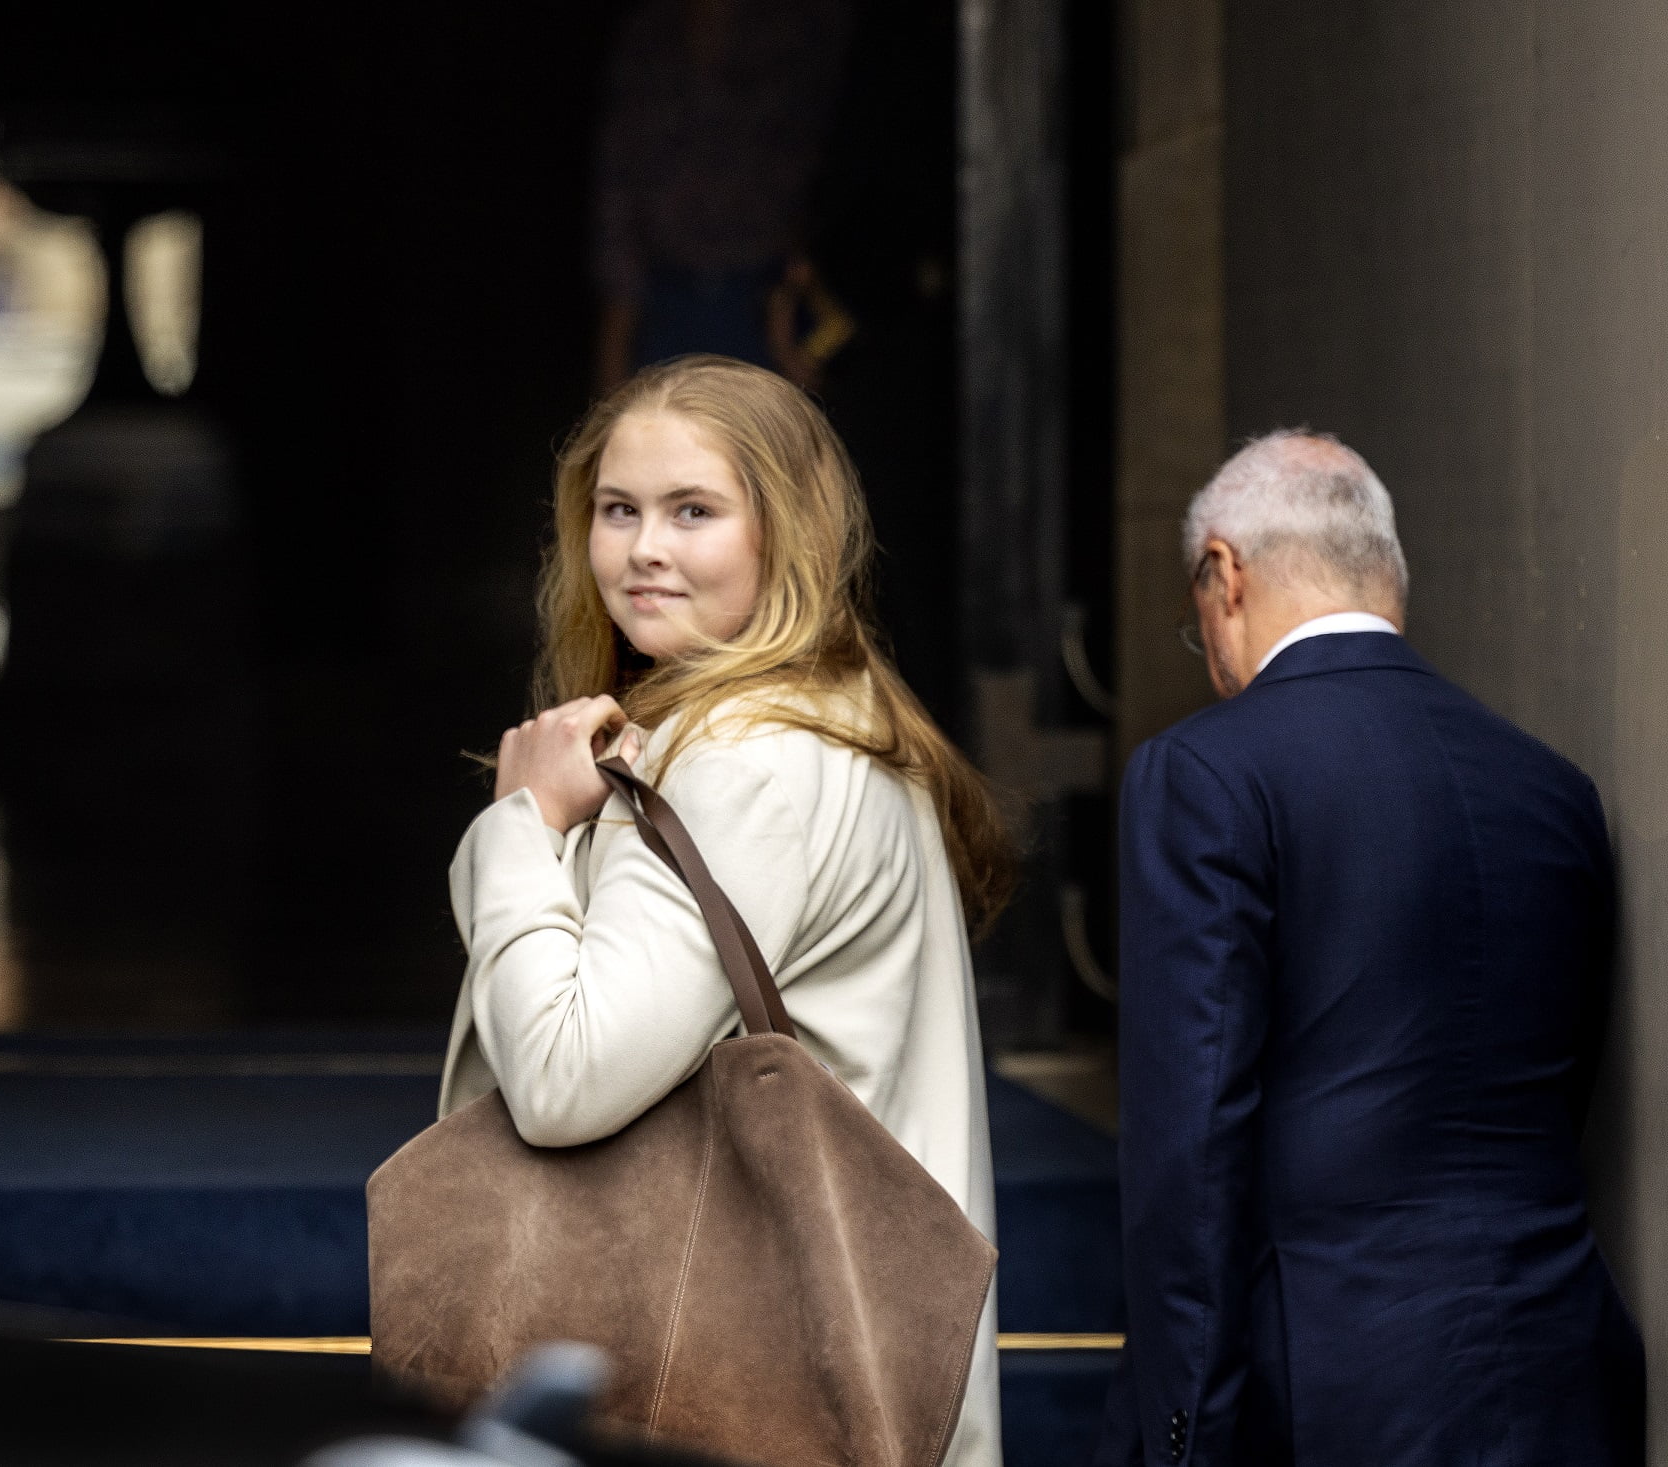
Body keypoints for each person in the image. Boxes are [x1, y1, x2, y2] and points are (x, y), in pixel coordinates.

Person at [437, 355, 1012, 1467]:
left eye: (692, 511)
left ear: (785, 534)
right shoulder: (829, 718)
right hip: (831, 1364)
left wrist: (521, 824)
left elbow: (561, 1079)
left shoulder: (741, 760)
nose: (643, 548)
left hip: (749, 1387)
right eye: (618, 510)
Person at [1098, 431, 1644, 1466]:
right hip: (1559, 1375)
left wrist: (1178, 1438)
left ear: (1223, 573)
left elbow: (1191, 1151)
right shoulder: (1551, 788)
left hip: (1323, 1397)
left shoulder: (1205, 774)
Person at [592, 0, 852, 393]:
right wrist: (615, 341)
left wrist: (795, 295)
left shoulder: (800, 25)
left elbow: (828, 160)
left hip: (766, 299)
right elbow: (618, 184)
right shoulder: (649, 35)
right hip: (664, 299)